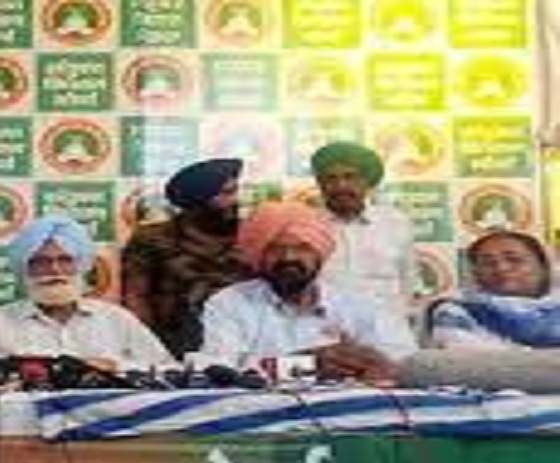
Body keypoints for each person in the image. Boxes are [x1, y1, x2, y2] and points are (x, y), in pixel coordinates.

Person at [200, 201, 417, 383]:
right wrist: (305, 365)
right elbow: (218, 371)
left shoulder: (361, 304)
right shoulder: (229, 304)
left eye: (302, 248)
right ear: (259, 255)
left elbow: (407, 363)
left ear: (320, 253)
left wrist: (372, 361)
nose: (288, 258)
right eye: (275, 248)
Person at [0, 216, 174, 371]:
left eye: (65, 260)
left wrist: (116, 366)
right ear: (24, 268)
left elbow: (168, 369)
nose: (54, 270)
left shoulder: (115, 319)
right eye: (41, 262)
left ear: (81, 265)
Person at [121, 158, 250, 358]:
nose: (235, 201)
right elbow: (136, 297)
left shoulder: (252, 234)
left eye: (235, 191)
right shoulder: (153, 238)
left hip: (243, 341)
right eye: (226, 193)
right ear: (198, 199)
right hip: (175, 345)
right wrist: (150, 350)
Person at [311, 141, 418, 313]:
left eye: (350, 177)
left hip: (386, 324)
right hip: (325, 325)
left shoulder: (395, 223)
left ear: (367, 182)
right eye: (331, 178)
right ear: (320, 185)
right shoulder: (307, 224)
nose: (341, 186)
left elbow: (407, 280)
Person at [428, 231, 560, 349]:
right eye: (488, 263)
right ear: (475, 273)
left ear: (544, 266)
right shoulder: (456, 311)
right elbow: (468, 359)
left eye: (514, 260)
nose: (501, 268)